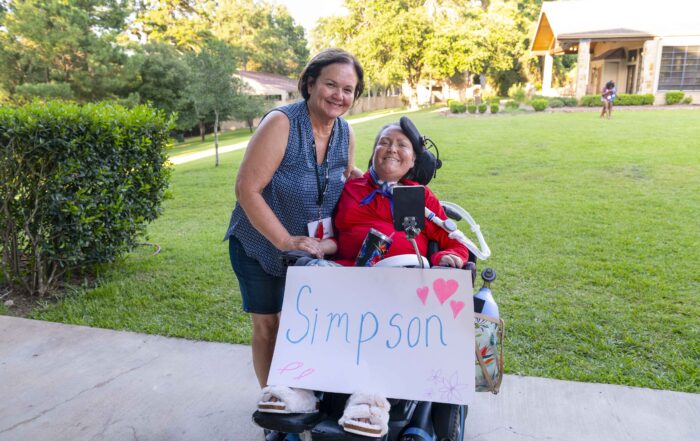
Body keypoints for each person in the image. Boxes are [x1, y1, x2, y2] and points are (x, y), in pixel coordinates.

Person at [257, 119, 470, 439]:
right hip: (349, 278)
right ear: (373, 153)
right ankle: (299, 389)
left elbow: (454, 242)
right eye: (384, 142)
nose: (392, 149)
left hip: (403, 282)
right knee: (311, 282)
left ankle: (370, 400)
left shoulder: (420, 197)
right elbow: (336, 237)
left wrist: (446, 258)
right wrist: (316, 247)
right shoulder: (352, 190)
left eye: (402, 145)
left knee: (385, 308)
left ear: (413, 161)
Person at [224, 48, 364, 400]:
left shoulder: (345, 133)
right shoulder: (282, 123)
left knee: (303, 328)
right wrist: (285, 240)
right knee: (269, 326)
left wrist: (386, 188)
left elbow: (347, 176)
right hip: (259, 245)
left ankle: (302, 395)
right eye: (331, 84)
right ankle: (275, 403)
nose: (339, 95)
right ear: (311, 83)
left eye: (348, 89)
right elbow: (246, 189)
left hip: (309, 250)